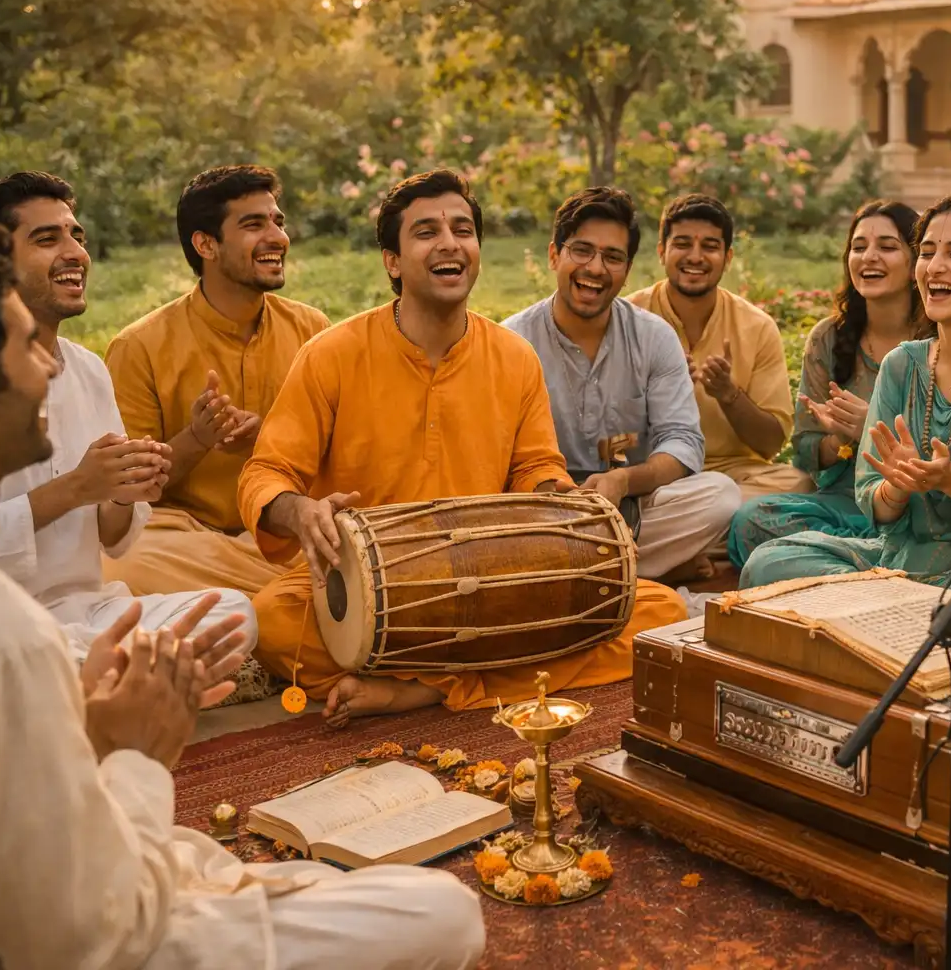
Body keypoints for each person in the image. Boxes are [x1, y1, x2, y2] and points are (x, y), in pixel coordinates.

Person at [0, 215, 486, 970]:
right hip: (102, 936)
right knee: (443, 911)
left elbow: (120, 526)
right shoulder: (4, 638)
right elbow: (75, 941)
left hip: (90, 653)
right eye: (24, 347)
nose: (48, 366)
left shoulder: (491, 351)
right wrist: (134, 755)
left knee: (262, 853)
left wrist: (90, 737)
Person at [241, 170, 687, 724]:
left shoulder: (512, 356)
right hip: (364, 587)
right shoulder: (330, 355)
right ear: (393, 261)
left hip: (489, 580)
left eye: (463, 230)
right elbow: (267, 472)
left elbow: (535, 467)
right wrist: (300, 510)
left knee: (659, 612)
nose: (450, 243)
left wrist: (563, 507)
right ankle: (478, 680)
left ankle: (424, 689)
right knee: (271, 622)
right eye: (426, 232)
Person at [0, 172, 258, 662]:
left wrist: (122, 492)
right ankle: (102, 672)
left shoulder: (89, 369)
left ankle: (93, 671)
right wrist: (75, 487)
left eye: (76, 236)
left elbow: (113, 541)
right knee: (15, 654)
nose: (75, 253)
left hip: (86, 611)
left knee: (231, 613)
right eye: (46, 238)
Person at [739, 193, 951, 608]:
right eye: (926, 252)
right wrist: (897, 488)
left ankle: (889, 610)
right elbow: (873, 503)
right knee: (768, 562)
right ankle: (901, 609)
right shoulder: (902, 363)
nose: (935, 266)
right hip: (902, 560)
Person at [103, 165, 331, 597]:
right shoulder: (138, 346)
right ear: (206, 244)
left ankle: (264, 599)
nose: (277, 237)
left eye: (277, 222)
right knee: (124, 563)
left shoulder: (311, 329)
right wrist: (197, 437)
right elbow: (129, 491)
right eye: (253, 224)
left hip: (283, 531)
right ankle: (286, 600)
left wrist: (268, 437)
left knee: (349, 543)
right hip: (185, 540)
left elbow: (339, 449)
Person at [503, 187, 742, 583]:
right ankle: (637, 569)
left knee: (721, 495)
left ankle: (583, 571)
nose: (595, 268)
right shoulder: (512, 341)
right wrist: (557, 492)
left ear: (627, 270)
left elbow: (682, 441)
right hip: (544, 510)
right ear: (553, 255)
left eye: (612, 257)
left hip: (632, 507)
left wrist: (623, 480)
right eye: (582, 251)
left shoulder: (654, 337)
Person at [728, 199, 932, 567]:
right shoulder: (829, 338)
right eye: (858, 247)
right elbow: (805, 448)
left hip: (918, 508)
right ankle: (871, 560)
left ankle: (840, 560)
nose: (869, 257)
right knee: (753, 520)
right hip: (845, 504)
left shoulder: (936, 340)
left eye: (887, 247)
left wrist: (871, 426)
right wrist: (840, 438)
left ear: (916, 262)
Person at [626, 193, 812, 502]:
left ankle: (697, 524)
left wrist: (730, 395)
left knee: (799, 484)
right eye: (683, 244)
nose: (695, 257)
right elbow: (602, 434)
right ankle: (716, 528)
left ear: (727, 257)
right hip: (654, 473)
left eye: (710, 246)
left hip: (734, 475)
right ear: (662, 252)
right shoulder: (629, 318)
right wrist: (656, 390)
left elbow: (771, 444)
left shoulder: (757, 326)